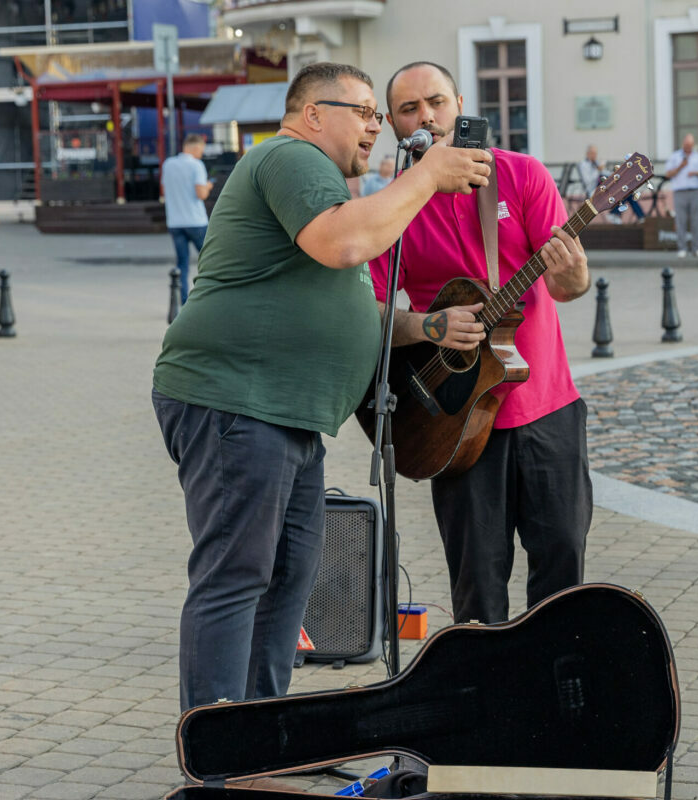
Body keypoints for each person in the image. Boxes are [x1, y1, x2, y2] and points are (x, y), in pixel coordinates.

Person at [151, 62, 491, 711]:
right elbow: (345, 244)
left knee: (285, 581)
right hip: (238, 401)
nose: (375, 126)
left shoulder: (325, 188)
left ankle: (263, 736)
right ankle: (218, 753)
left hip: (285, 413)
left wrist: (427, 325)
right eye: (363, 111)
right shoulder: (292, 158)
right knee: (238, 576)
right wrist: (426, 175)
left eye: (374, 115)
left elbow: (353, 305)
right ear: (312, 113)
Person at [374, 61, 592, 625]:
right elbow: (366, 312)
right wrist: (429, 327)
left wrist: (571, 271)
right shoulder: (393, 206)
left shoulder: (519, 175)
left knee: (562, 569)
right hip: (455, 420)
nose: (427, 116)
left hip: (546, 408)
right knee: (477, 587)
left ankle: (558, 697)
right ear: (398, 128)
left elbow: (569, 288)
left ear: (460, 104)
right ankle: (486, 706)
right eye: (409, 109)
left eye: (437, 102)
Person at [162, 133, 213, 304]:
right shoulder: (196, 165)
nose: (201, 154)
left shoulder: (168, 164)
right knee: (211, 259)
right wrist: (208, 186)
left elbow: (164, 189)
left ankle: (183, 303)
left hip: (175, 222)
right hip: (196, 221)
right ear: (196, 147)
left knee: (182, 265)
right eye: (201, 150)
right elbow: (201, 194)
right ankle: (211, 297)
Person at [662, 133, 698, 257]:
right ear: (683, 144)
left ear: (693, 145)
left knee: (695, 220)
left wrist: (696, 172)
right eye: (686, 144)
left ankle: (696, 248)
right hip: (679, 192)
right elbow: (667, 174)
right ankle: (682, 248)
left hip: (694, 191)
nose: (688, 147)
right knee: (680, 220)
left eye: (690, 145)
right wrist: (680, 167)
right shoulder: (675, 156)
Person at [578, 145, 644, 223]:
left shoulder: (596, 163)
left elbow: (604, 173)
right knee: (625, 190)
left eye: (595, 153)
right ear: (588, 153)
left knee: (627, 190)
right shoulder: (583, 164)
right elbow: (588, 181)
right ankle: (636, 216)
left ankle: (620, 214)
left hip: (605, 189)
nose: (594, 155)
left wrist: (616, 174)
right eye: (592, 153)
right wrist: (598, 170)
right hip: (594, 191)